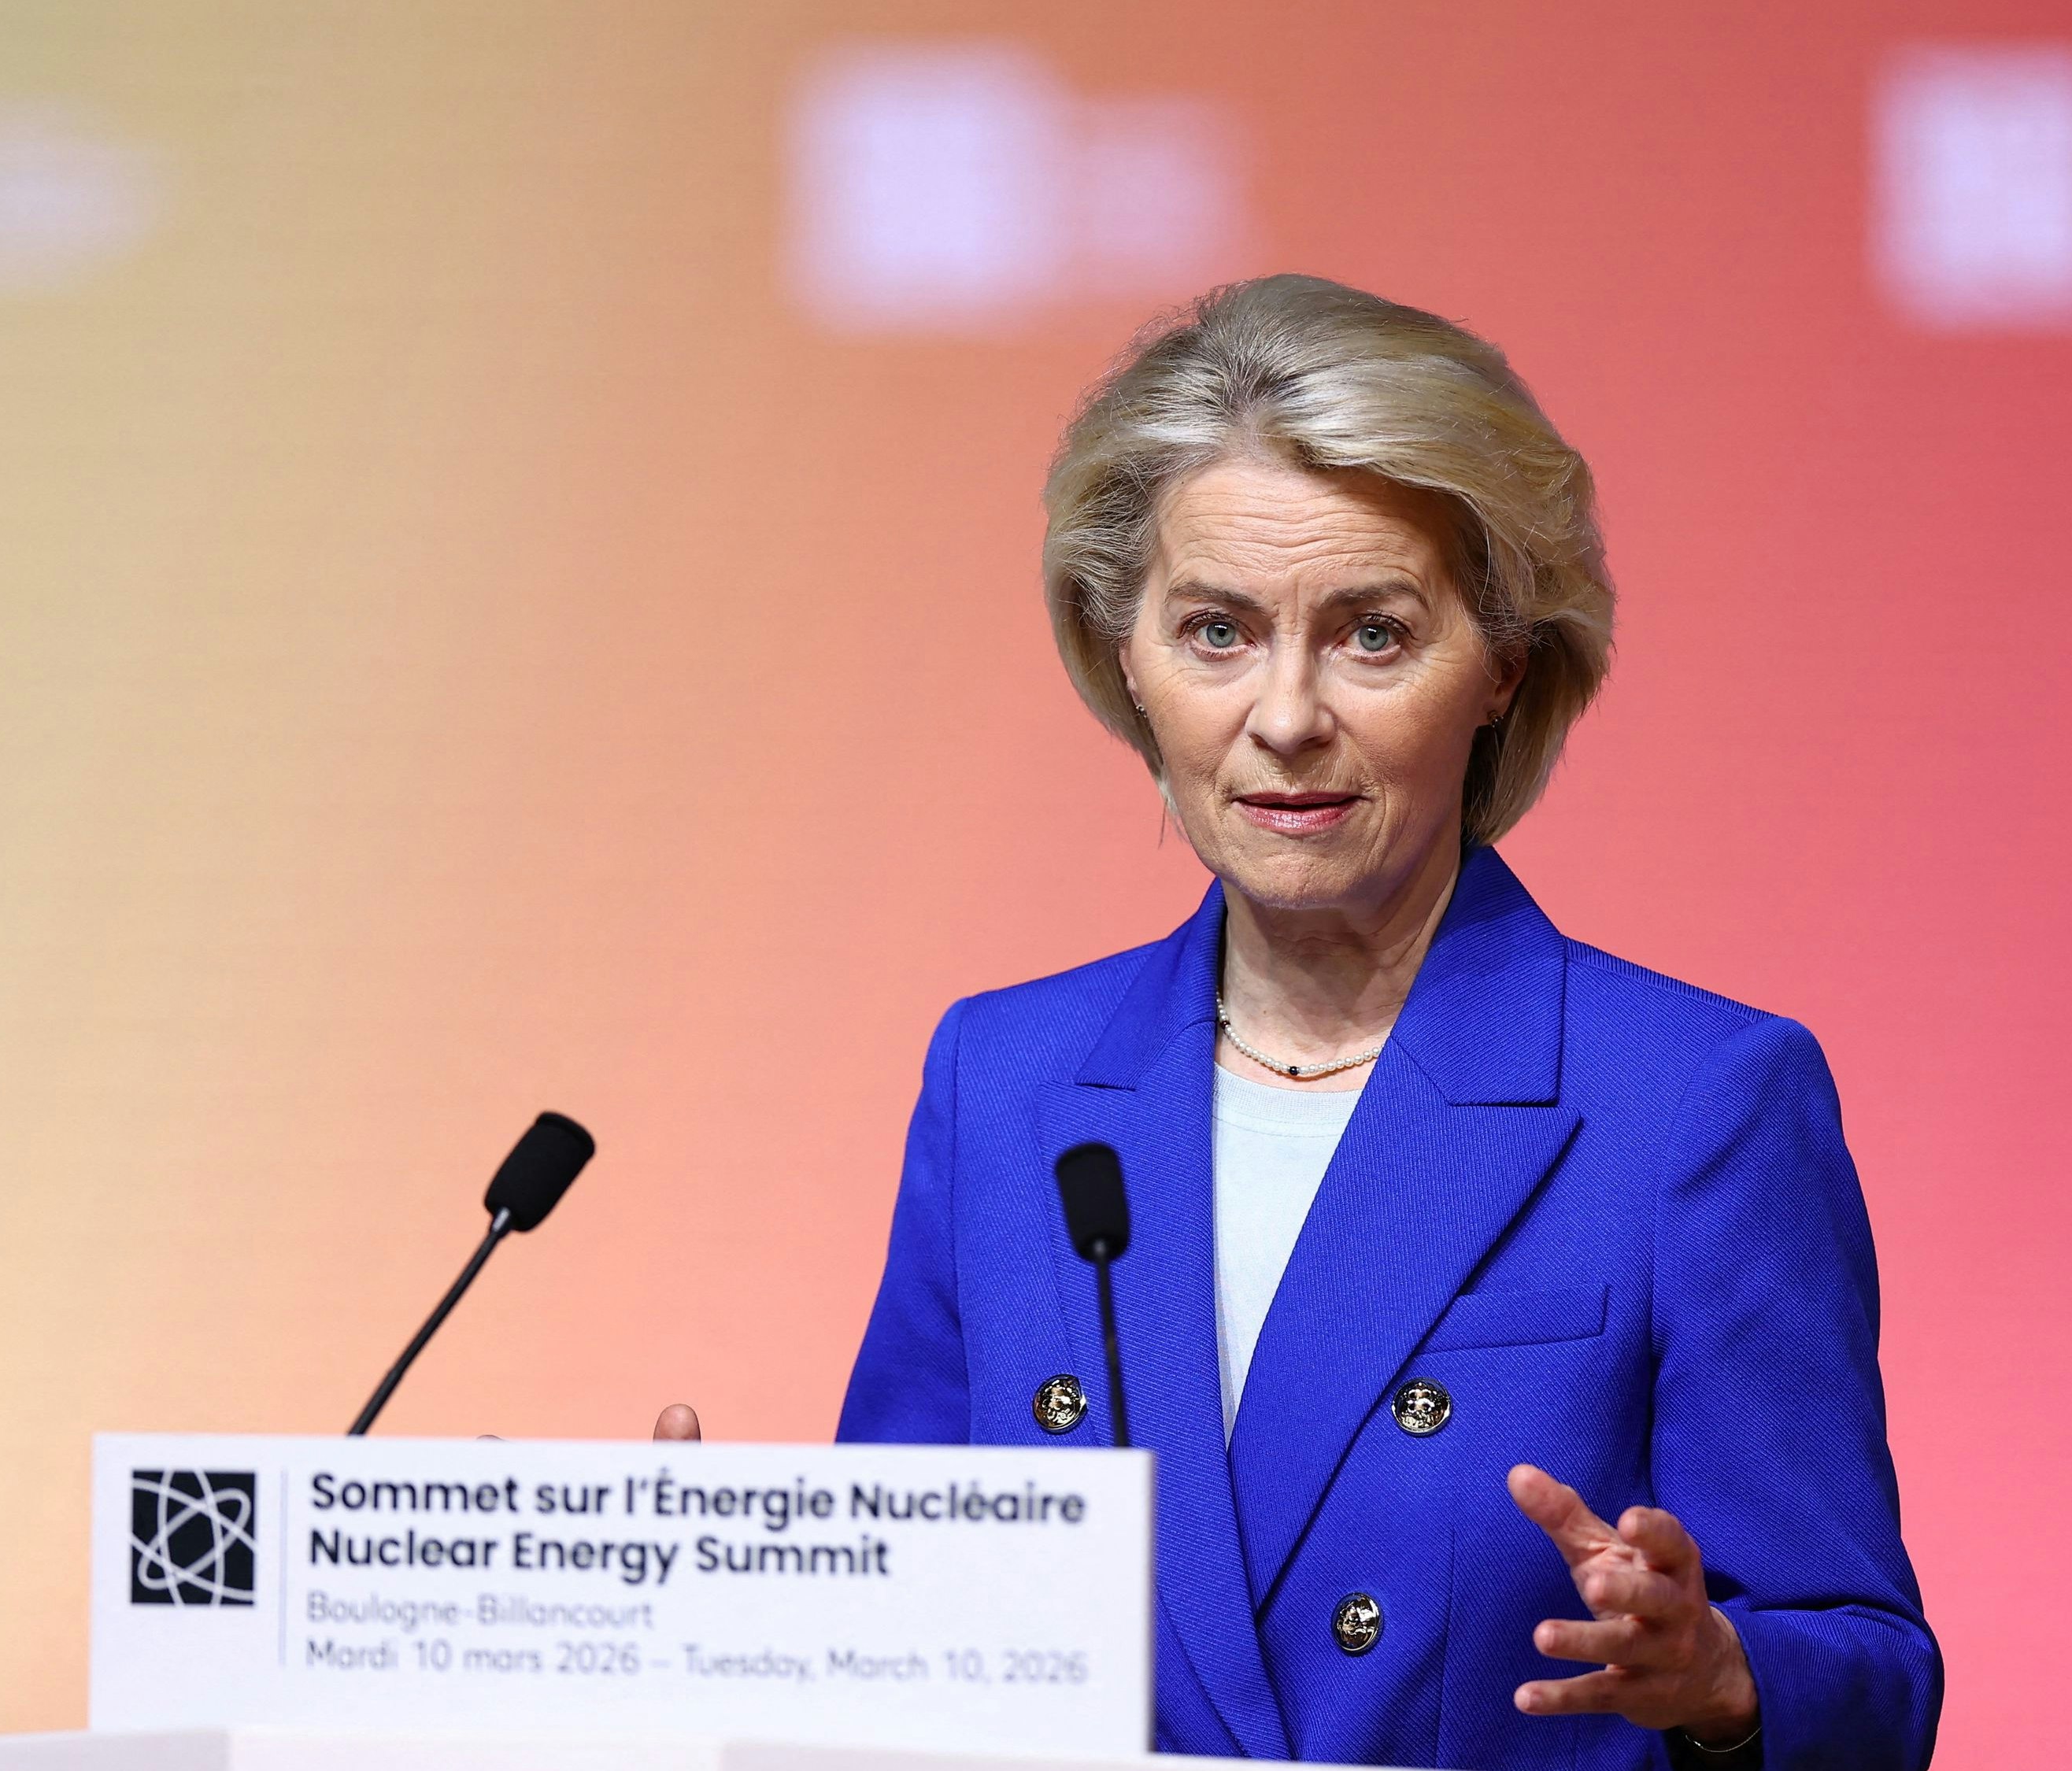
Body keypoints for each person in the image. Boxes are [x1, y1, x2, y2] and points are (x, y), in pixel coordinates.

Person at [672, 275, 1939, 1769]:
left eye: (1372, 636)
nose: (1285, 715)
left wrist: (1724, 1675)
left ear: (1504, 668)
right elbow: (921, 1638)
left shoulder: (1696, 1102)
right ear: (1124, 661)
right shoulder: (1005, 1082)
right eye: (1215, 632)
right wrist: (746, 1605)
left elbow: (1869, 1674)